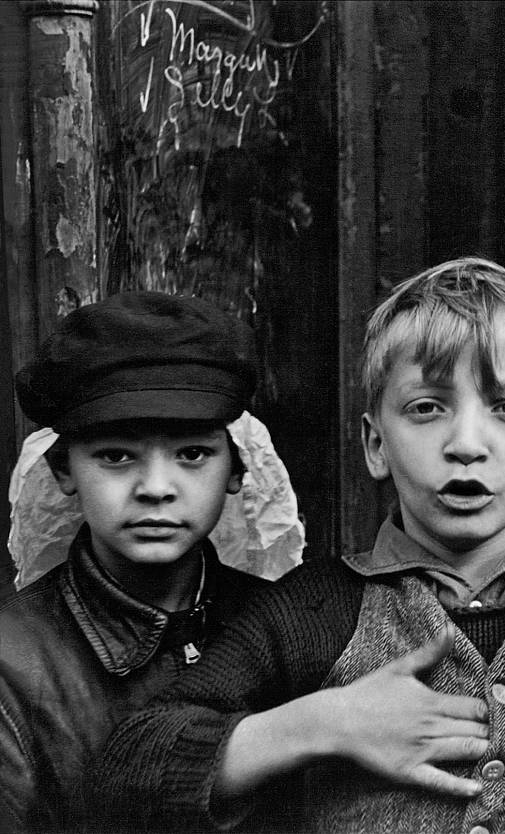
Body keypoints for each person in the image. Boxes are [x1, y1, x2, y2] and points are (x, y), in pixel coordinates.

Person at [97, 257, 505, 833]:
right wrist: (320, 723)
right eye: (426, 408)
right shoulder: (313, 611)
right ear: (375, 445)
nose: (467, 442)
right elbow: (126, 771)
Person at [0, 291, 304, 833]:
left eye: (192, 454)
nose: (156, 488)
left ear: (237, 469)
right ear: (64, 469)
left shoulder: (290, 627)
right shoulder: (13, 664)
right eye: (116, 455)